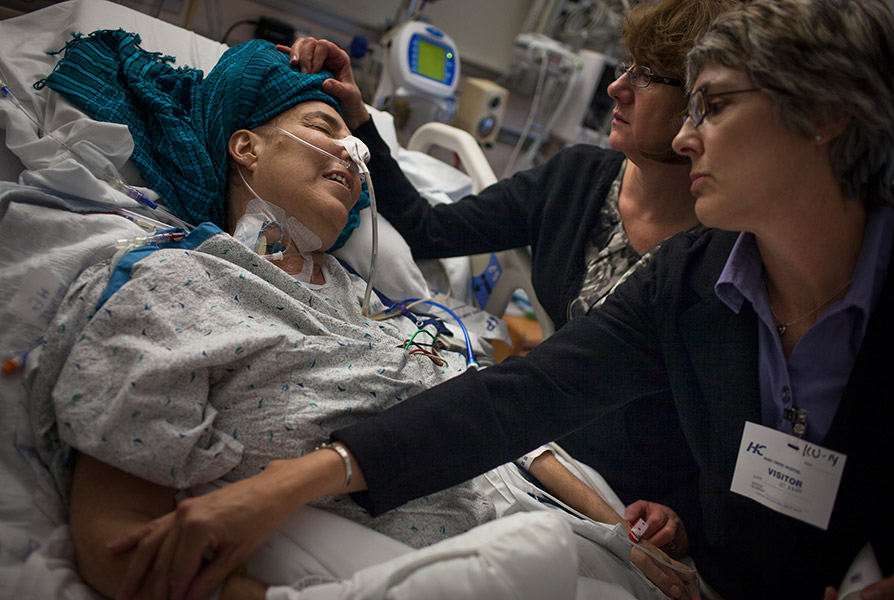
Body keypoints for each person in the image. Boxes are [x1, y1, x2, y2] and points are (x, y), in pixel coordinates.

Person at [113, 0, 894, 598]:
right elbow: (520, 396)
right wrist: (277, 488)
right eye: (688, 105)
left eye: (715, 106)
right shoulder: (694, 276)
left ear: (825, 116)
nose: (691, 136)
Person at [28, 30, 694, 600]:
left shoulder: (374, 308)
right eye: (325, 130)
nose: (353, 153)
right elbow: (121, 531)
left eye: (359, 145)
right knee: (537, 556)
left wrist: (617, 531)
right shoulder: (179, 283)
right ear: (246, 148)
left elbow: (503, 421)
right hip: (446, 555)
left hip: (537, 518)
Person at [286, 0, 739, 540]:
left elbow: (731, 439)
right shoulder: (576, 181)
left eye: (646, 77)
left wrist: (685, 517)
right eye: (625, 67)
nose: (617, 89)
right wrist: (360, 120)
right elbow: (432, 230)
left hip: (635, 499)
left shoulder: (722, 260)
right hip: (531, 440)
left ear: (703, 105)